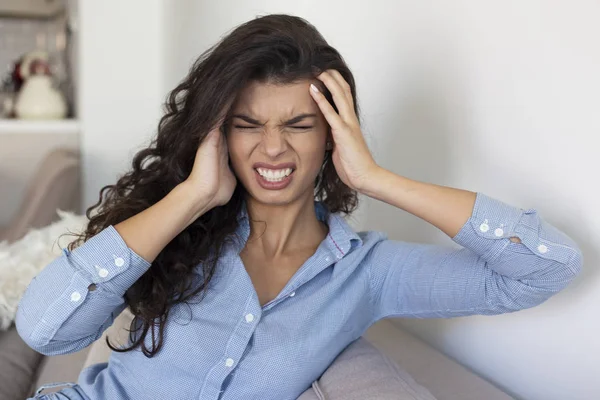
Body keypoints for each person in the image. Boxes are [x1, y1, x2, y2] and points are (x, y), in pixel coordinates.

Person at [17, 14, 582, 400]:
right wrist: (192, 196)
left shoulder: (368, 274)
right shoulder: (181, 231)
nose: (272, 148)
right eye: (248, 125)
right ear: (220, 134)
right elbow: (44, 330)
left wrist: (378, 179)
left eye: (298, 125)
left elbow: (546, 266)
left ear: (334, 135)